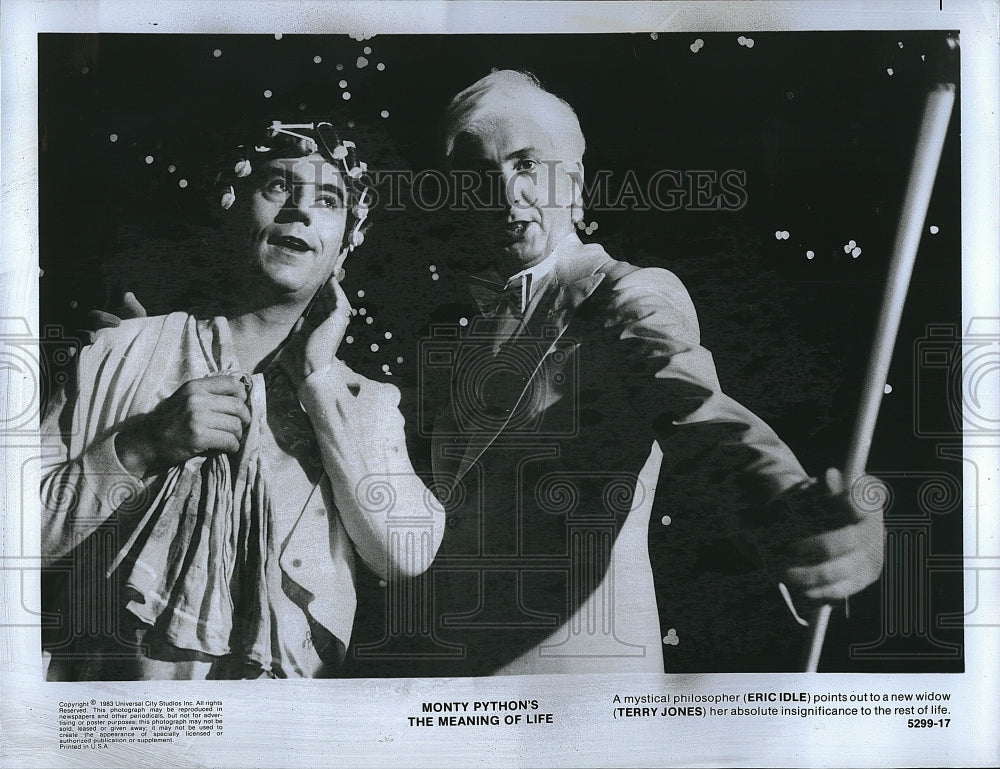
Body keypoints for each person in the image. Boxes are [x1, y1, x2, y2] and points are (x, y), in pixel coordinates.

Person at [354, 70, 884, 676]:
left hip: (584, 675)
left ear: (574, 186)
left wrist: (787, 505)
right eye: (478, 177)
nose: (506, 193)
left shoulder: (626, 294)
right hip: (454, 683)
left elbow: (697, 411)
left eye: (528, 165)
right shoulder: (452, 332)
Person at [40, 119, 444, 680]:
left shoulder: (362, 402)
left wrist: (318, 380)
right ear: (231, 207)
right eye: (278, 186)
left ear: (345, 242)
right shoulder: (118, 354)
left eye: (327, 199)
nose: (300, 210)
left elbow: (405, 554)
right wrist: (139, 447)